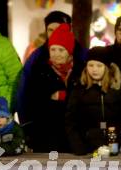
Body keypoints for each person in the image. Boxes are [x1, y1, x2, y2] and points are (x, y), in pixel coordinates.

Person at [17, 10, 87, 127]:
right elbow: (25, 92)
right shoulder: (36, 59)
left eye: (59, 28)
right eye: (50, 30)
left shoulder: (83, 56)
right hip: (46, 126)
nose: (55, 33)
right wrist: (26, 123)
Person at [25, 23, 84, 152]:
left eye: (61, 50)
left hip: (74, 136)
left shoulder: (80, 71)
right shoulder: (40, 71)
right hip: (47, 136)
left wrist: (62, 96)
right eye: (53, 49)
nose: (56, 54)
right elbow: (34, 103)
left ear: (69, 52)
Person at [65, 46, 121, 155]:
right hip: (86, 146)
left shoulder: (118, 89)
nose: (94, 69)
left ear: (107, 67)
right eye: (90, 65)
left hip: (114, 145)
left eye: (99, 66)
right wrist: (77, 146)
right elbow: (70, 120)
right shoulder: (79, 89)